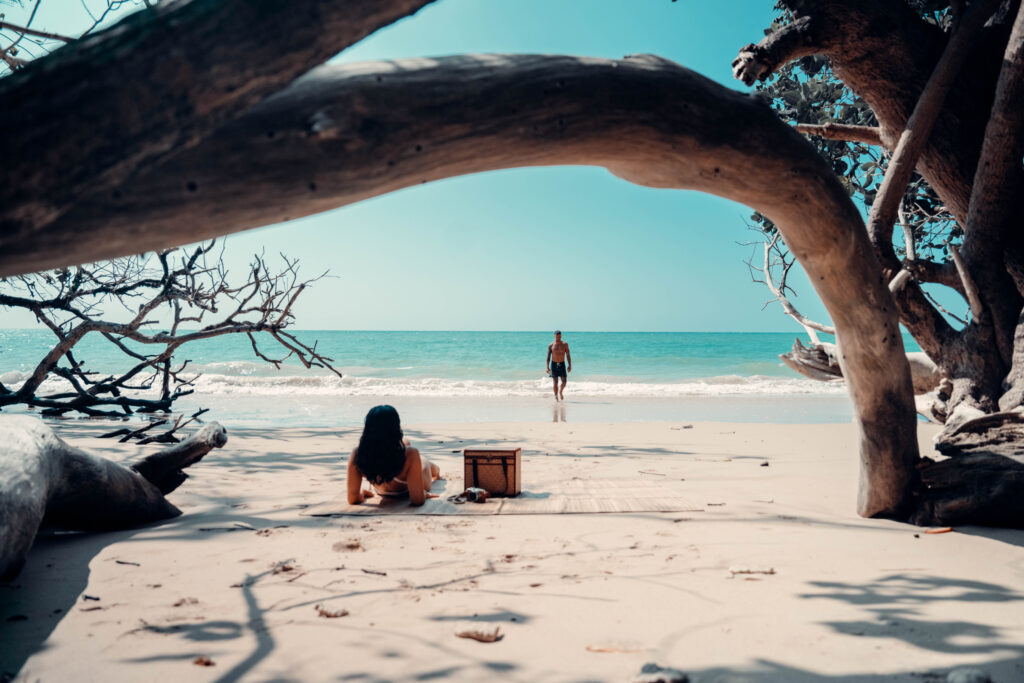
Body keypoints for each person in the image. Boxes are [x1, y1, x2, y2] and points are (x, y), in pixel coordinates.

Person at [347, 405, 441, 506]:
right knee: (424, 462)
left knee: (405, 443)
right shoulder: (411, 454)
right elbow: (417, 501)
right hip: (408, 482)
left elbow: (353, 499)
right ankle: (436, 469)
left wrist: (363, 492)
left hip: (381, 486)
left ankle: (401, 445)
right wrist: (423, 493)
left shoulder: (357, 453)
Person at [546, 330, 572, 400]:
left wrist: (569, 365)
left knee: (564, 382)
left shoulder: (565, 344)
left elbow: (568, 355)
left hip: (562, 364)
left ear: (561, 336)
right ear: (554, 336)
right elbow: (548, 357)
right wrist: (547, 367)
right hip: (554, 364)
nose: (558, 338)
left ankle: (560, 392)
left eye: (559, 336)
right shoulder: (551, 345)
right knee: (555, 382)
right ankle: (556, 396)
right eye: (557, 336)